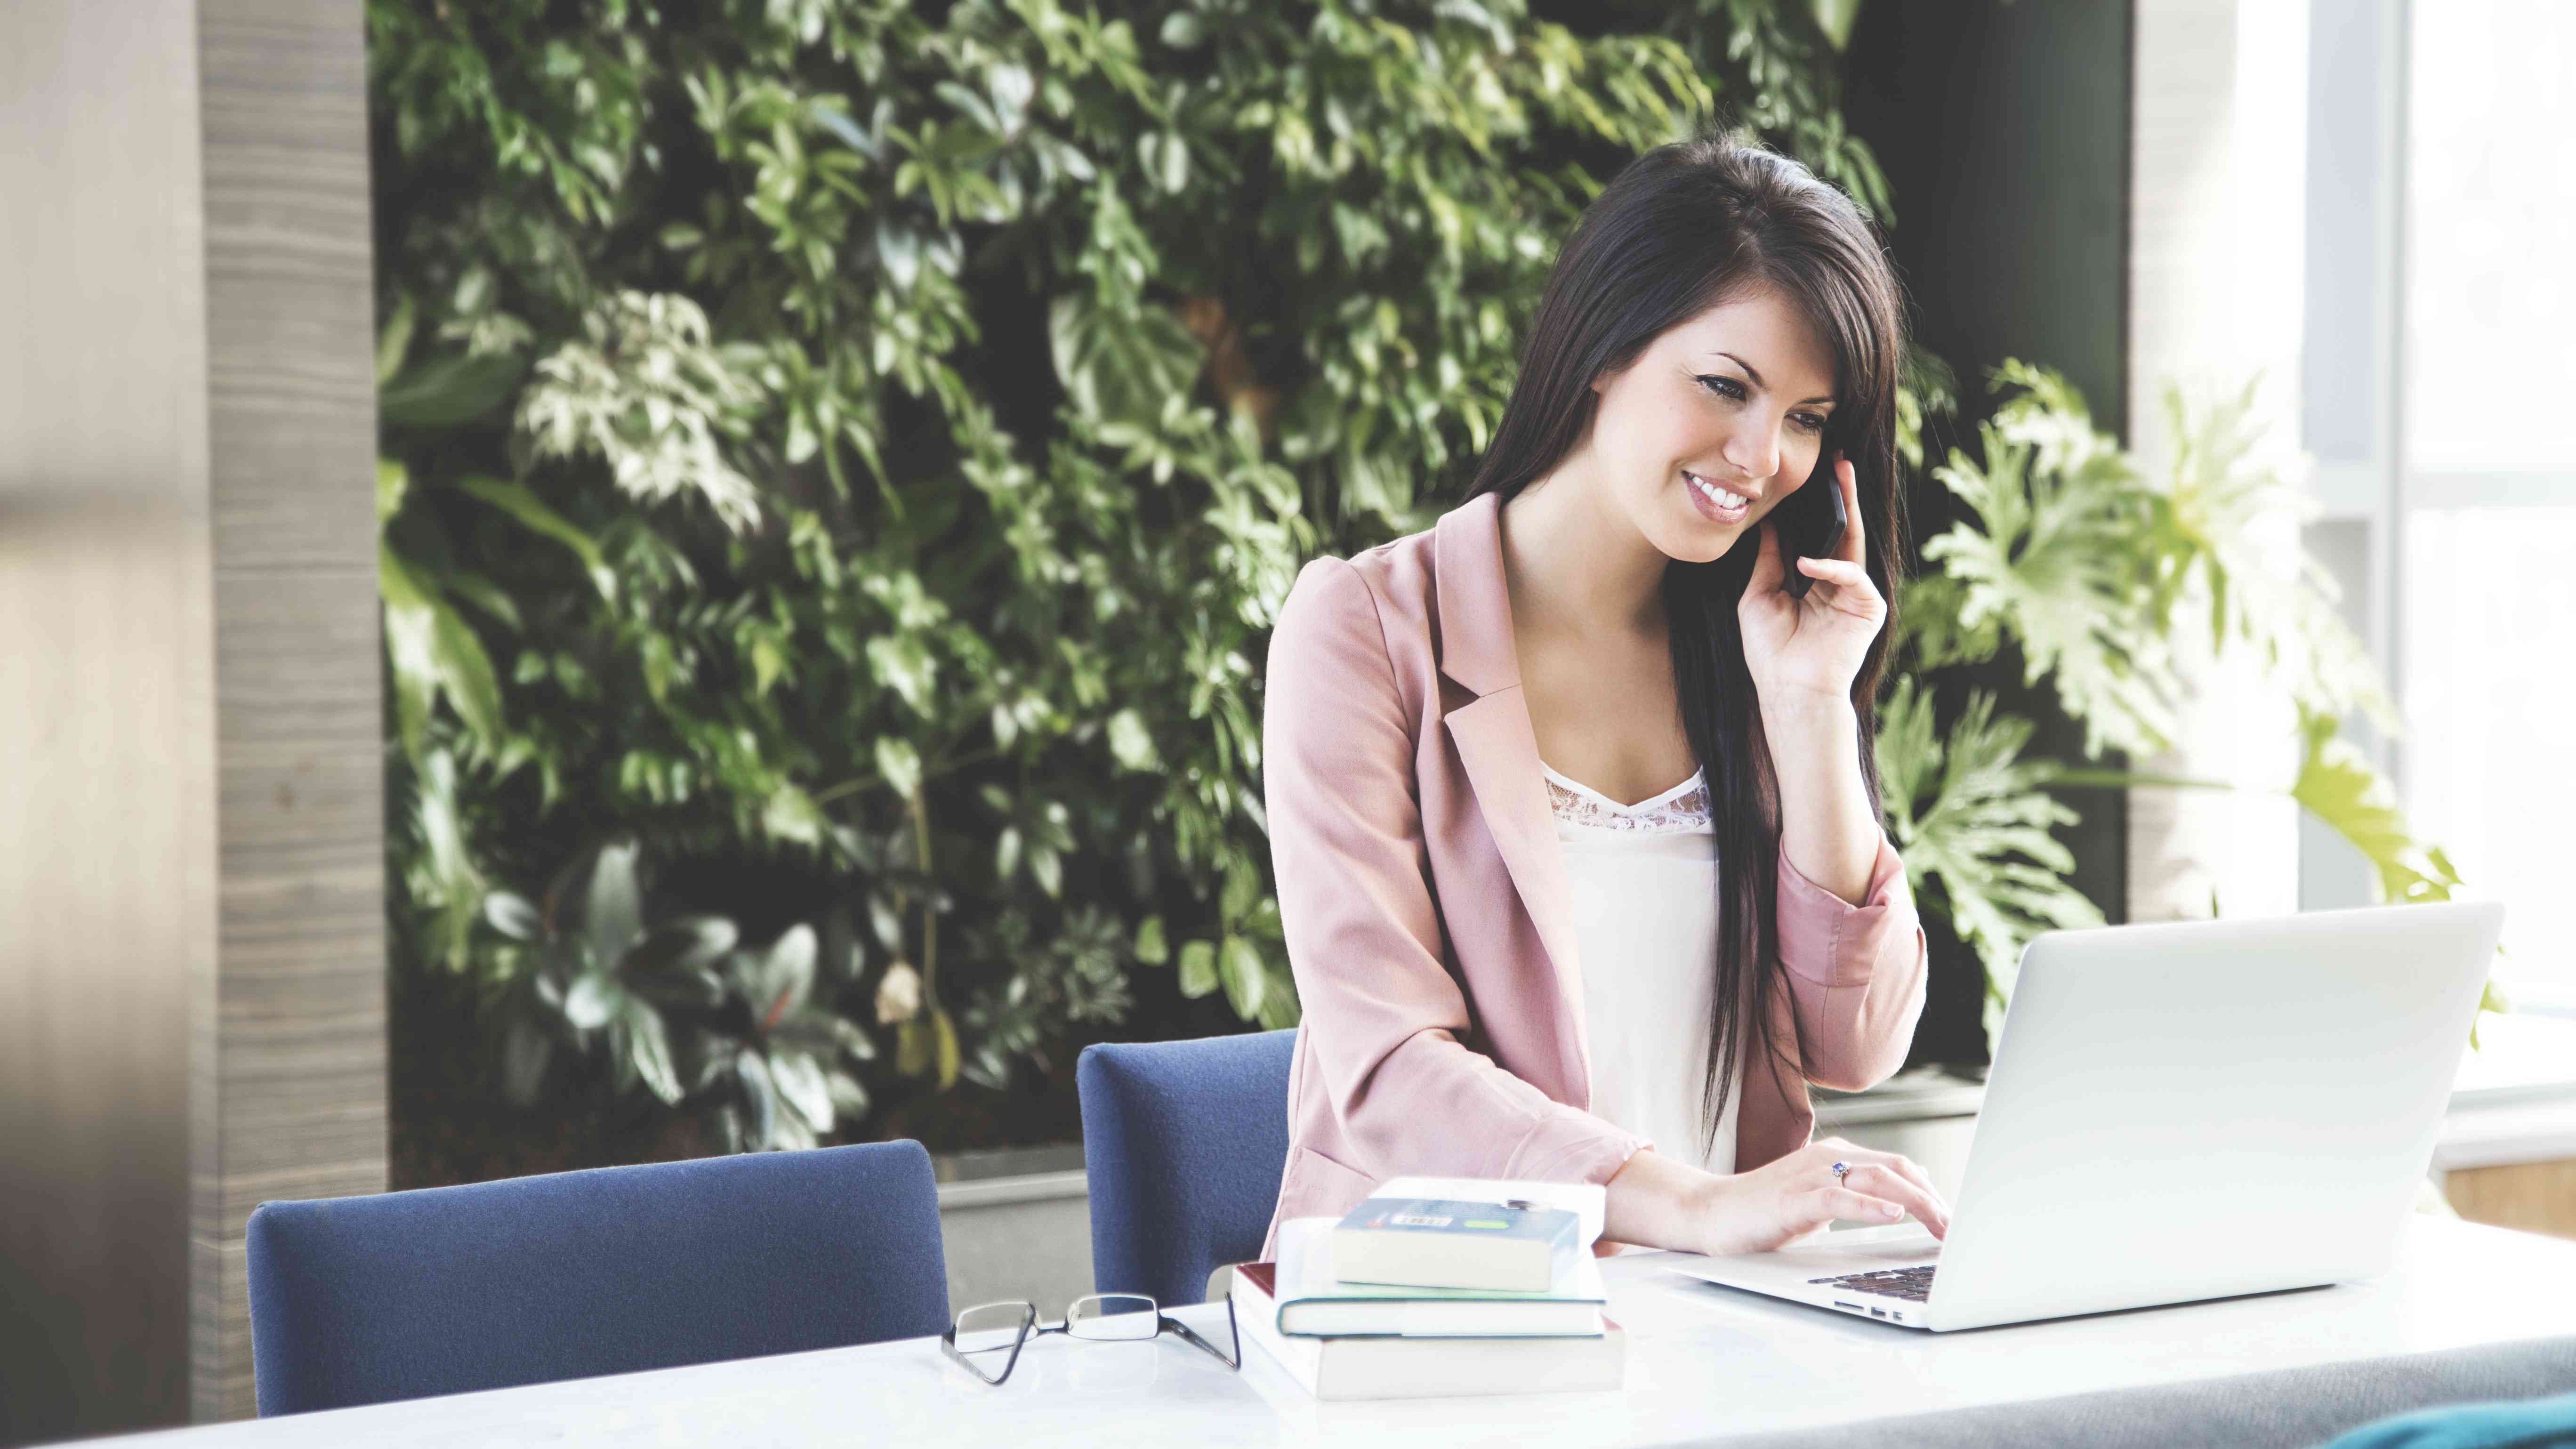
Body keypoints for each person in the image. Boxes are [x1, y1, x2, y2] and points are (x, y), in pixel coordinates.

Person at [1257, 131, 1949, 1262]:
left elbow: (1858, 1043)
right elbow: (1384, 1066)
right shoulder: (1369, 630)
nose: (1760, 454)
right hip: (1446, 1318)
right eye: (1726, 386)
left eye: (1808, 418)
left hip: (1720, 1329)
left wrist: (1814, 712)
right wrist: (1683, 1202)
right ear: (1601, 349)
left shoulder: (1758, 648)